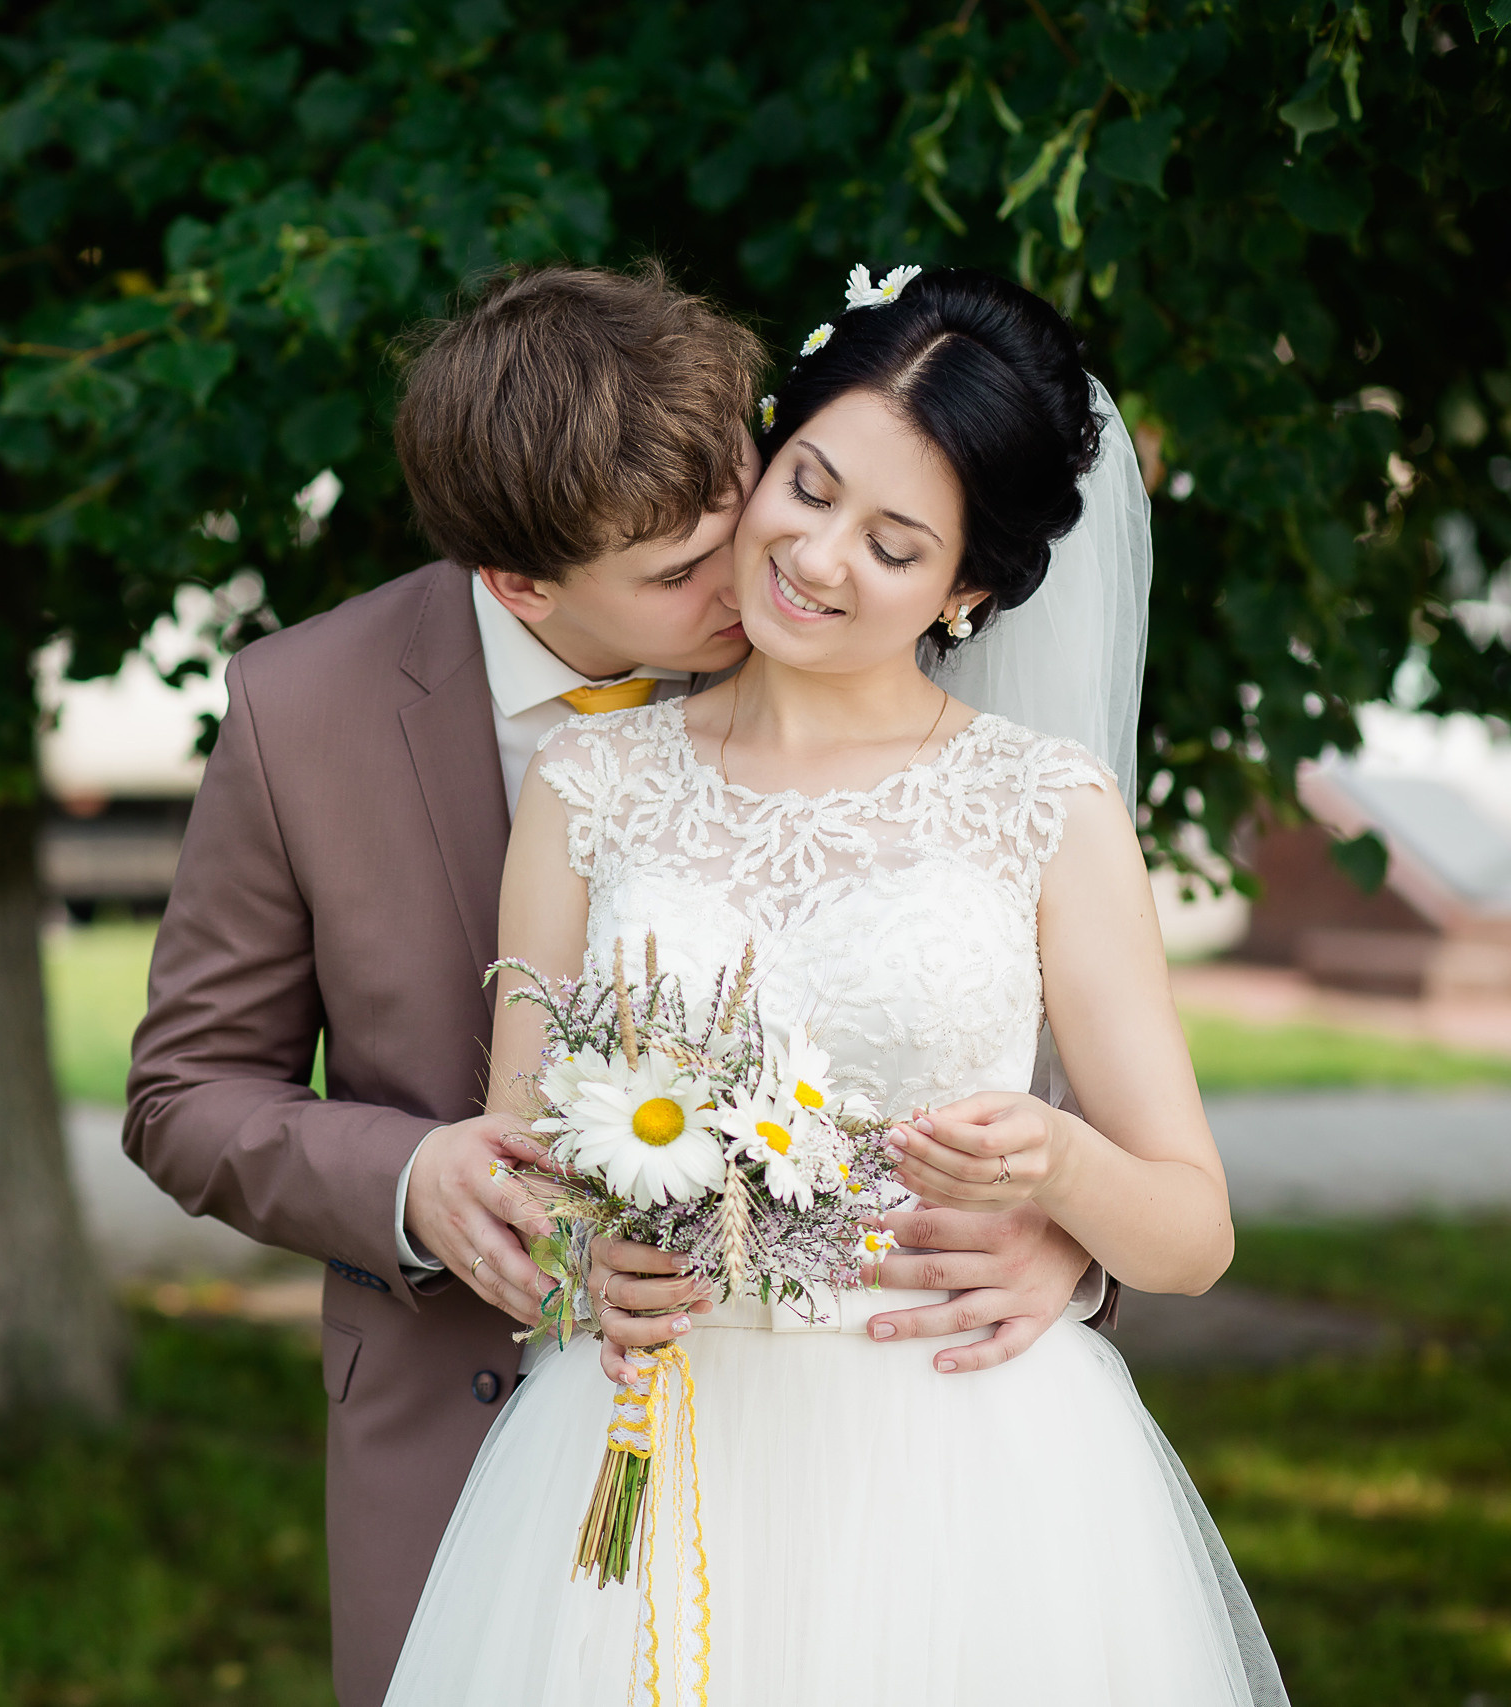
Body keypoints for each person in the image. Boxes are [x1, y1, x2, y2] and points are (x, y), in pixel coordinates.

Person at [125, 263, 1112, 1707]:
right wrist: (415, 1181)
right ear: (523, 583)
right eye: (675, 578)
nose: (765, 579)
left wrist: (1066, 1250)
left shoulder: (863, 612)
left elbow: (1045, 1051)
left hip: (892, 1469)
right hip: (480, 1449)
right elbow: (183, 1092)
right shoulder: (305, 710)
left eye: (746, 500)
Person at [380, 266, 1286, 1705]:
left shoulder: (1044, 807)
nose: (817, 557)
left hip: (967, 1472)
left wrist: (1057, 1165)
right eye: (806, 487)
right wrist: (584, 1259)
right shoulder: (590, 780)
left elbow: (1192, 1231)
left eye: (895, 542)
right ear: (763, 451)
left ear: (969, 588)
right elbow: (527, 1153)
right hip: (651, 1438)